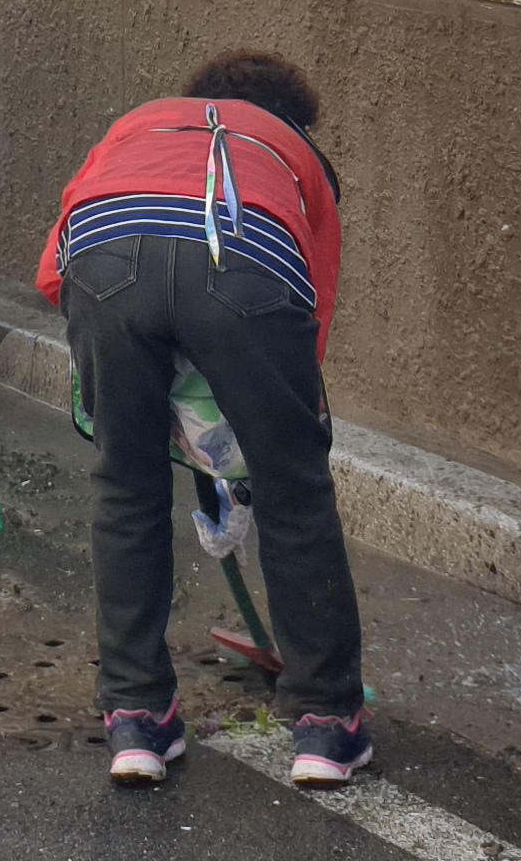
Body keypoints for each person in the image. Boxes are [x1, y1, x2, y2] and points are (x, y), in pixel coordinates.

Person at [39, 51, 372, 791]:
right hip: (242, 254)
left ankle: (137, 718)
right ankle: (325, 724)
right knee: (295, 491)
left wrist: (162, 409)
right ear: (293, 118)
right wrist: (247, 453)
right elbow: (308, 315)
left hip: (102, 257)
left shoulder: (136, 125)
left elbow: (52, 274)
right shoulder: (295, 152)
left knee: (125, 487)